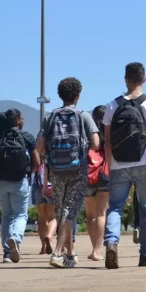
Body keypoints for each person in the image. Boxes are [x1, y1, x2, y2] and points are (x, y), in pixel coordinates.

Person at [103, 62, 146, 268]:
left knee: (115, 206)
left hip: (118, 164)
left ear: (125, 79)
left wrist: (108, 164)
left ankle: (112, 243)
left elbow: (107, 142)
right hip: (145, 163)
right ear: (144, 79)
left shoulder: (112, 106)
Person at [37, 77, 99, 269]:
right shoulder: (83, 116)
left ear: (59, 95)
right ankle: (57, 253)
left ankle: (70, 255)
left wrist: (51, 154)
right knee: (69, 210)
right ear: (78, 96)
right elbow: (96, 144)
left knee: (62, 209)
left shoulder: (50, 117)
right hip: (77, 169)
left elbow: (39, 146)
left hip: (56, 169)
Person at [0, 109, 40, 263]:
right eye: (22, 118)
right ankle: (16, 238)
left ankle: (6, 253)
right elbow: (37, 162)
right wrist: (27, 172)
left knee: (6, 216)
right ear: (17, 120)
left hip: (1, 182)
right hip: (20, 181)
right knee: (21, 214)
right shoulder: (26, 137)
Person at [84, 105, 109, 261]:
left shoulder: (89, 133)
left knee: (90, 216)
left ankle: (94, 248)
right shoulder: (109, 133)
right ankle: (97, 251)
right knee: (101, 214)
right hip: (105, 175)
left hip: (88, 175)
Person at [31, 160, 56, 254]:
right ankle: (49, 237)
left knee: (42, 218)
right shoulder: (52, 148)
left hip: (37, 184)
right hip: (50, 185)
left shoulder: (36, 148)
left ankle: (43, 247)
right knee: (52, 217)